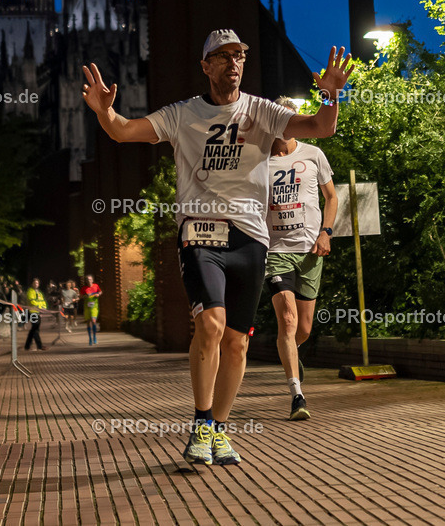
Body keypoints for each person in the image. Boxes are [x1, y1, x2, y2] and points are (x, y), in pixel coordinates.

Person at [81, 29, 351, 466]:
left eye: (239, 55)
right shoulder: (182, 115)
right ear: (206, 66)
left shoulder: (261, 111)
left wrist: (331, 95)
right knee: (210, 323)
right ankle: (202, 421)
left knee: (237, 343)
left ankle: (220, 431)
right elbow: (124, 132)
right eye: (222, 57)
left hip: (252, 238)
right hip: (200, 232)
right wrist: (106, 112)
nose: (233, 63)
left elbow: (321, 127)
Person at [265, 99, 338, 421]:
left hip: (310, 252)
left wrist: (327, 233)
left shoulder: (313, 155)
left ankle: (292, 353)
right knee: (289, 321)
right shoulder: (257, 160)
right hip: (275, 252)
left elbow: (332, 197)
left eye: (290, 119)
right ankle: (296, 394)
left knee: (304, 329)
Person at [24, 278, 47, 351]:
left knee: (34, 329)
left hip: (38, 312)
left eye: (37, 283)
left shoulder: (39, 293)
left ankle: (27, 345)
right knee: (35, 329)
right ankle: (39, 346)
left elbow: (43, 301)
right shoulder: (30, 291)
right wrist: (40, 308)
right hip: (32, 312)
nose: (36, 284)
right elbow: (32, 301)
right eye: (34, 283)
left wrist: (43, 308)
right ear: (32, 284)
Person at [82, 275, 102, 346]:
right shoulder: (84, 288)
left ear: (92, 280)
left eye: (90, 279)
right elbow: (81, 296)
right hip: (87, 307)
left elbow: (100, 292)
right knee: (88, 322)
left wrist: (98, 294)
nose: (89, 281)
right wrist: (85, 296)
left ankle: (95, 337)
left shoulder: (96, 286)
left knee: (94, 321)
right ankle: (90, 338)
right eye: (87, 279)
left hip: (94, 307)